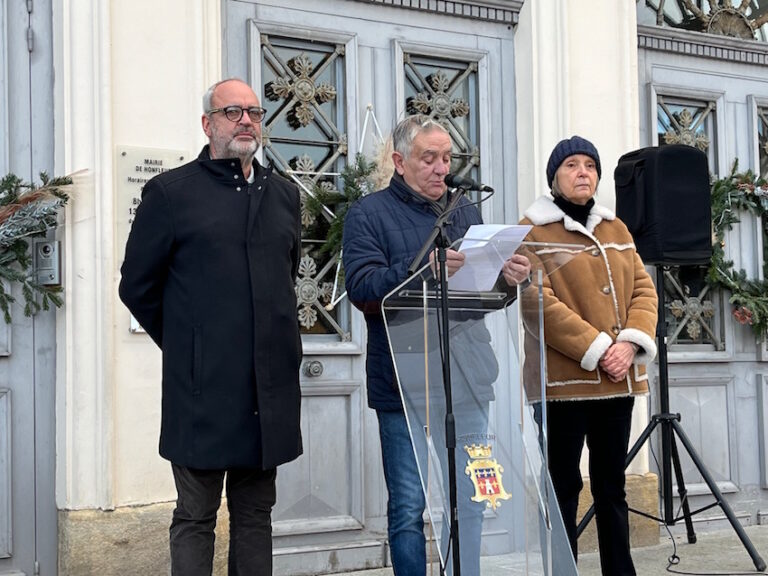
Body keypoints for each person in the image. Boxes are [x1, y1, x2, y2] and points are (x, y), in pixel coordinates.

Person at [119, 78, 303, 576]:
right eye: (232, 112)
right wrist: (190, 345)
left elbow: (284, 281)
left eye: (255, 112)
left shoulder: (284, 196)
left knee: (255, 515)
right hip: (201, 390)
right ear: (208, 123)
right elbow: (137, 286)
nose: (246, 121)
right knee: (196, 515)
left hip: (268, 389)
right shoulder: (171, 193)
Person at [342, 114, 530, 576]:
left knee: (470, 498)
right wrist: (422, 269)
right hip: (402, 380)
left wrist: (507, 281)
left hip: (466, 377)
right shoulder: (369, 213)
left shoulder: (465, 211)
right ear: (399, 161)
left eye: (447, 157)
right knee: (408, 506)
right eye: (429, 158)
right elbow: (364, 288)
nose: (441, 167)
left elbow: (479, 300)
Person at [520, 135, 658, 576]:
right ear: (554, 177)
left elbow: (643, 290)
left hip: (617, 382)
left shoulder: (616, 228)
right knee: (562, 487)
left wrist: (630, 344)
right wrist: (599, 349)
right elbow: (535, 302)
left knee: (612, 489)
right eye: (572, 166)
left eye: (590, 166)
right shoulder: (531, 231)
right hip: (561, 386)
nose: (583, 173)